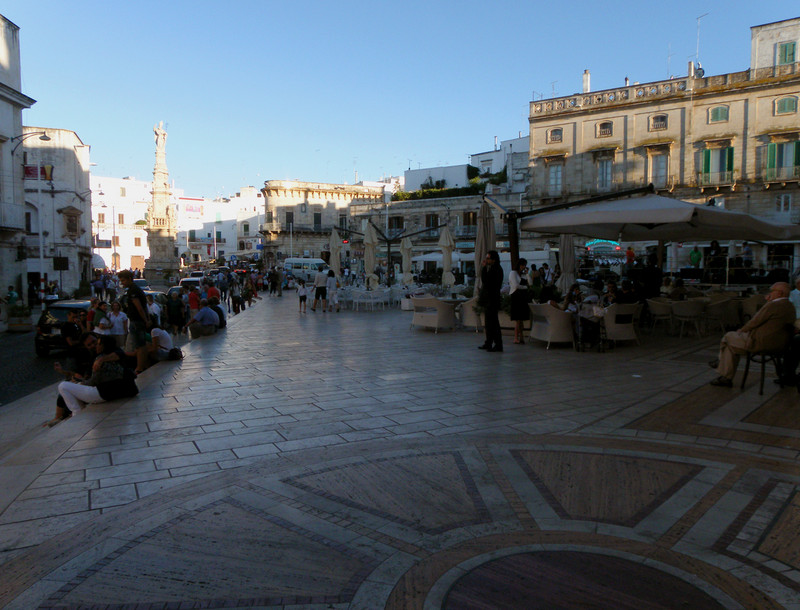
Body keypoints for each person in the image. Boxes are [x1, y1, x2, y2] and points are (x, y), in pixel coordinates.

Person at [708, 282, 796, 387]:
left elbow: (755, 321)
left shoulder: (774, 305)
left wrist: (742, 330)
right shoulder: (789, 306)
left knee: (728, 336)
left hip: (760, 342)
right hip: (778, 343)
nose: (770, 293)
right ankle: (725, 377)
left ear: (779, 293)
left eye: (772, 291)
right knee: (730, 347)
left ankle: (721, 363)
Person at [51, 335, 138, 426]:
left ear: (104, 345)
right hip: (113, 390)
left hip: (103, 392)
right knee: (70, 389)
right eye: (90, 345)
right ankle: (76, 412)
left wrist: (81, 383)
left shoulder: (104, 358)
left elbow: (94, 381)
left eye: (97, 343)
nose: (95, 345)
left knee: (62, 386)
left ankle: (76, 413)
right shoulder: (97, 357)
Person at [118, 269, 151, 374]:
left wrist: (145, 320)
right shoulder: (136, 289)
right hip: (138, 320)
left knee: (139, 345)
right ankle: (144, 364)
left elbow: (139, 307)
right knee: (141, 344)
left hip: (137, 321)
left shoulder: (133, 291)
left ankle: (140, 367)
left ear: (129, 279)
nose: (122, 283)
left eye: (123, 280)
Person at [478, 250, 503, 352]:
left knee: (493, 323)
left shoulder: (496, 269)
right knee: (489, 323)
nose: (486, 260)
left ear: (493, 260)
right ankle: (488, 342)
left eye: (488, 258)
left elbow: (486, 281)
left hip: (492, 299)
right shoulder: (493, 269)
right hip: (490, 299)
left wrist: (484, 268)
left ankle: (497, 344)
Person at [508, 258, 530, 345]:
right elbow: (516, 285)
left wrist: (527, 274)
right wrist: (525, 287)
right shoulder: (513, 273)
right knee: (518, 319)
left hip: (522, 297)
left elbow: (530, 283)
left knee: (521, 319)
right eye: (522, 265)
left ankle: (521, 336)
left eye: (524, 265)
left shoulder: (522, 274)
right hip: (516, 297)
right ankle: (516, 337)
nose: (523, 267)